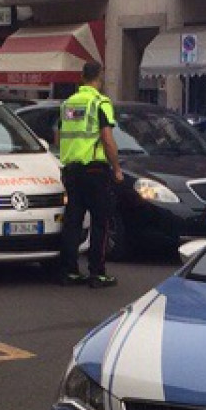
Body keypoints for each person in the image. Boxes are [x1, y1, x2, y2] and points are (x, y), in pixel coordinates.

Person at [55, 61, 123, 289]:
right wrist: (117, 168)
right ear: (100, 77)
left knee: (73, 222)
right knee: (100, 223)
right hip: (95, 170)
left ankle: (69, 271)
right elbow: (107, 138)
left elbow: (59, 136)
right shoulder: (100, 102)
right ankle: (97, 273)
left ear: (82, 77)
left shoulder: (69, 103)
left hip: (71, 170)